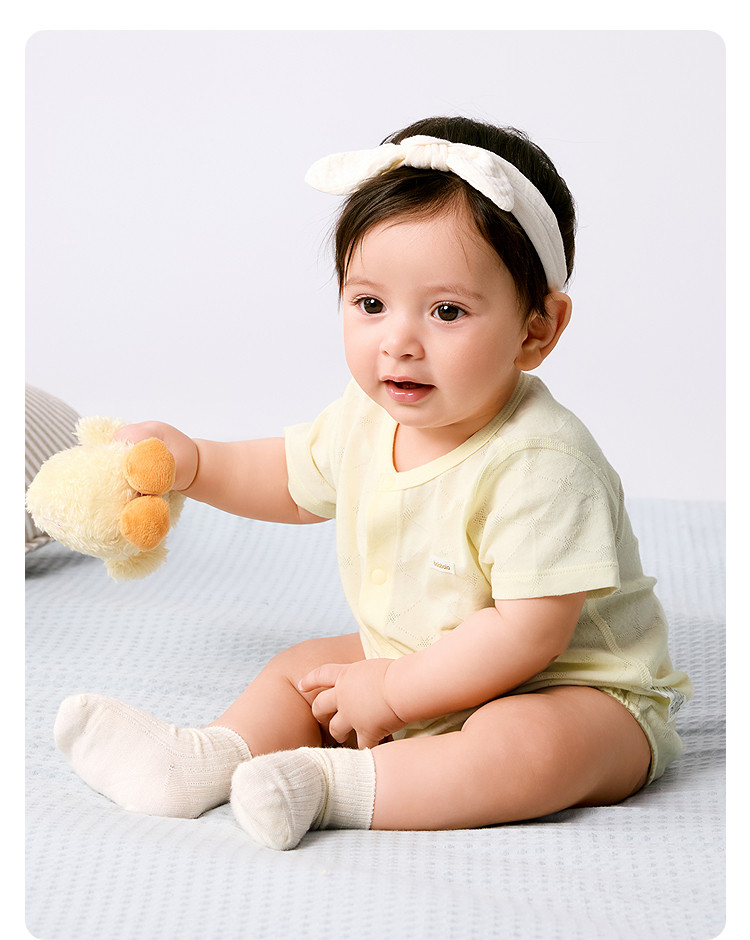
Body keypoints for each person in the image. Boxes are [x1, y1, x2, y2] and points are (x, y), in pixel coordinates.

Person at [54, 115, 693, 851]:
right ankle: (200, 762)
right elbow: (289, 479)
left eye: (447, 311)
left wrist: (392, 691)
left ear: (536, 329)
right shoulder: (368, 417)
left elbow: (528, 634)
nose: (398, 341)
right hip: (413, 656)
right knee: (303, 671)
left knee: (533, 745)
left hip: (569, 685)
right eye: (370, 304)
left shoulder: (543, 462)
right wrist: (195, 462)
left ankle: (329, 786)